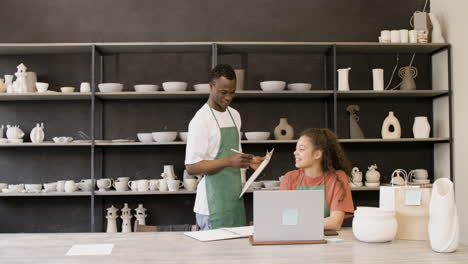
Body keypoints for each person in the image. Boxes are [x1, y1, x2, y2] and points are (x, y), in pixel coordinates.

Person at [185, 64, 263, 230]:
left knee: (237, 254)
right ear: (211, 87)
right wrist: (228, 161)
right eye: (223, 92)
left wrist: (249, 162)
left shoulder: (235, 115)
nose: (228, 97)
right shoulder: (200, 120)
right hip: (211, 204)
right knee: (214, 256)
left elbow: (235, 153)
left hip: (234, 199)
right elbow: (191, 167)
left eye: (232, 92)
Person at [280, 128, 354, 231]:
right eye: (296, 149)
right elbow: (286, 220)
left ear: (317, 154)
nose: (295, 153)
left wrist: (298, 224)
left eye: (301, 149)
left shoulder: (337, 178)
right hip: (295, 238)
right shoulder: (289, 178)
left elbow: (335, 223)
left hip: (326, 240)